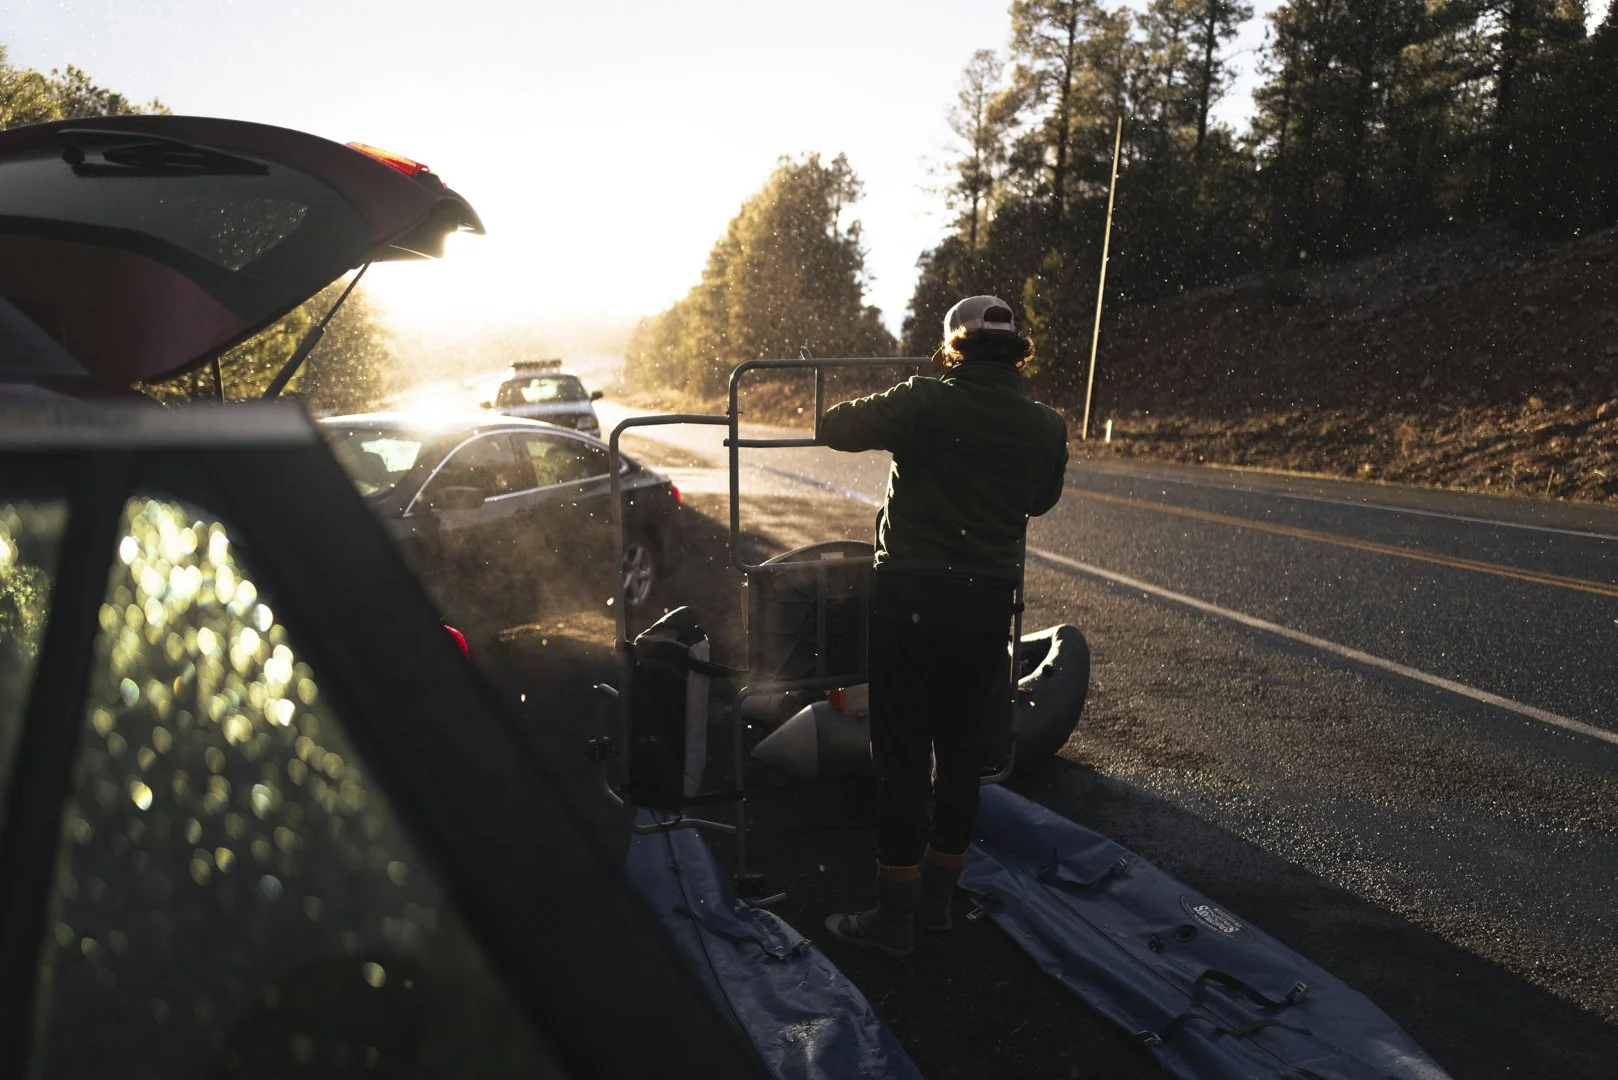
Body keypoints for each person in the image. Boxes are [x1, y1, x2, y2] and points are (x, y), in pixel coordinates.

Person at [820, 295, 1069, 958]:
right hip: (986, 605)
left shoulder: (924, 400)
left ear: (953, 347)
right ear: (1018, 351)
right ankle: (936, 906)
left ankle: (891, 920)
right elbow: (1039, 500)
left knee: (903, 756)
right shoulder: (1045, 425)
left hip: (910, 600)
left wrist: (901, 403)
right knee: (962, 755)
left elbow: (833, 427)